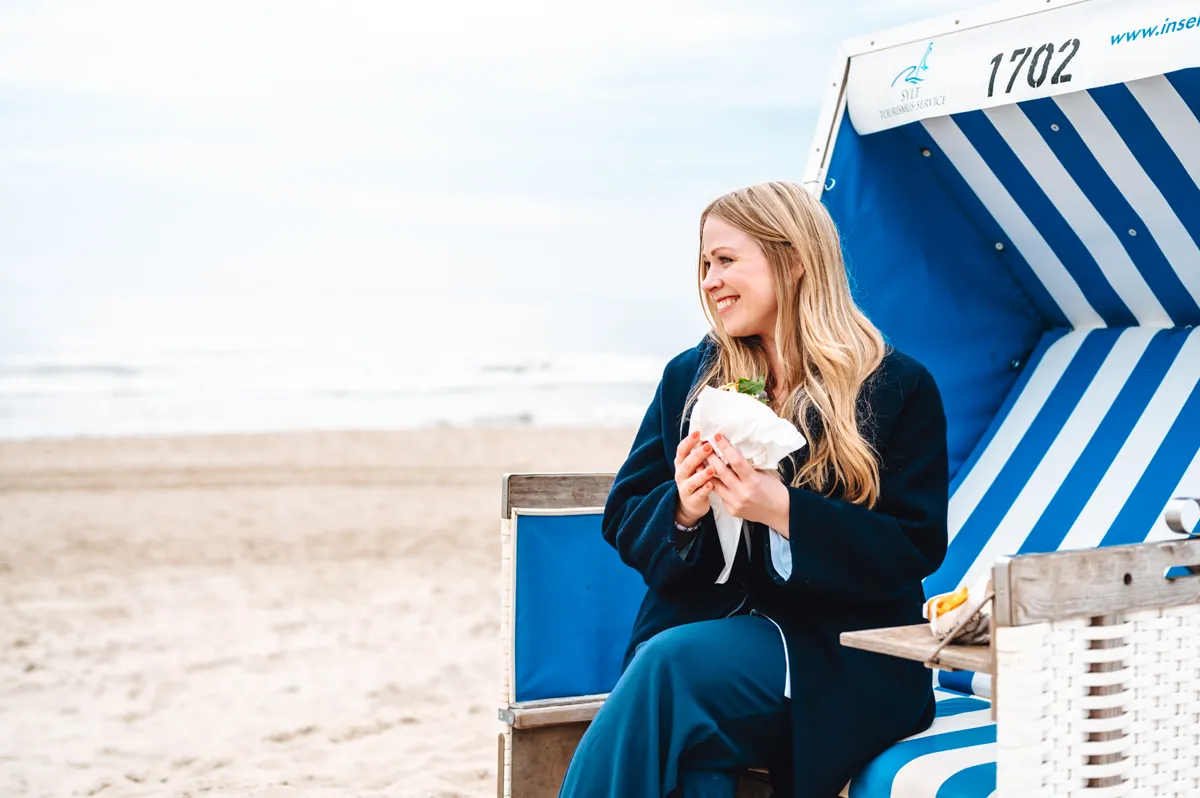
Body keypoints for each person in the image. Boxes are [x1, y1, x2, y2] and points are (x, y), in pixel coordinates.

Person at [557, 182, 950, 798]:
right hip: (708, 636)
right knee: (692, 754)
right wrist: (683, 507)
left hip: (839, 655)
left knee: (668, 669)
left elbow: (915, 546)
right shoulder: (692, 377)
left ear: (793, 261)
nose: (709, 281)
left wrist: (786, 512)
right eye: (704, 265)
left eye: (726, 260)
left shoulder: (894, 385)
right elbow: (625, 513)